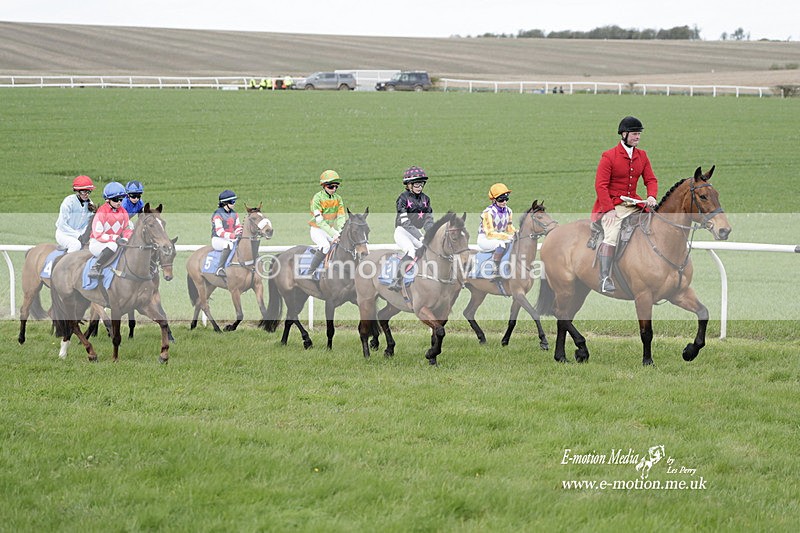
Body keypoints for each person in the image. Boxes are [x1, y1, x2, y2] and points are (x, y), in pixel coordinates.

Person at [591, 115, 658, 293]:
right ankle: (605, 278)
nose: (638, 137)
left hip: (636, 203)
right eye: (635, 134)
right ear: (624, 134)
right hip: (613, 205)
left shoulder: (642, 156)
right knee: (612, 234)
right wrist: (609, 210)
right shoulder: (609, 156)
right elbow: (600, 186)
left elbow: (651, 179)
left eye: (639, 134)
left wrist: (651, 196)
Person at [388, 166, 434, 291]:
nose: (419, 187)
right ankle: (396, 280)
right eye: (416, 184)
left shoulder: (426, 199)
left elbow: (428, 221)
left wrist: (430, 235)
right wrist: (421, 236)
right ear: (408, 185)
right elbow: (406, 223)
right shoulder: (402, 199)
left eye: (421, 184)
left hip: (416, 232)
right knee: (411, 251)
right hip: (402, 231)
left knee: (427, 250)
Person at [88, 182, 133, 278]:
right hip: (97, 243)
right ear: (108, 200)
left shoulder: (123, 211)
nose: (119, 202)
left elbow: (127, 229)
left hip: (115, 242)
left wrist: (126, 239)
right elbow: (98, 234)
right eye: (116, 199)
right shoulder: (102, 211)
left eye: (121, 199)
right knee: (113, 245)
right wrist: (115, 238)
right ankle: (95, 268)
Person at [307, 170, 346, 275]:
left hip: (329, 228)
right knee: (326, 246)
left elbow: (341, 216)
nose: (334, 189)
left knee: (343, 243)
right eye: (330, 187)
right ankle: (311, 271)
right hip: (317, 229)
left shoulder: (338, 199)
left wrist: (341, 231)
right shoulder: (317, 198)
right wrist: (334, 234)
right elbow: (320, 222)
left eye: (336, 187)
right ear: (324, 186)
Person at [477, 183, 516, 278]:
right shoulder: (488, 213)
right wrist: (507, 237)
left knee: (514, 243)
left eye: (506, 199)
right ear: (494, 200)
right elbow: (490, 234)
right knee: (501, 244)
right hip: (485, 239)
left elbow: (509, 228)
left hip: (499, 237)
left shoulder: (509, 211)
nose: (504, 202)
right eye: (501, 199)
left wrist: (518, 233)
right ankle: (496, 269)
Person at [55, 175, 96, 253]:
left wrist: (84, 236)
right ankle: (66, 264)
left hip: (80, 234)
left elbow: (87, 225)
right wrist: (78, 236)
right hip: (63, 234)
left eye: (88, 191)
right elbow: (62, 225)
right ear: (77, 191)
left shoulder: (90, 204)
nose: (86, 194)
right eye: (84, 191)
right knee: (75, 245)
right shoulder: (68, 202)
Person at [211, 189, 243, 277]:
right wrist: (233, 236)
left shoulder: (234, 213)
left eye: (234, 201)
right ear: (225, 203)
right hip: (218, 239)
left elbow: (237, 226)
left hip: (230, 238)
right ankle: (219, 268)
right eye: (232, 202)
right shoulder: (218, 214)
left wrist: (239, 232)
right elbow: (219, 231)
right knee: (228, 245)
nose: (234, 203)